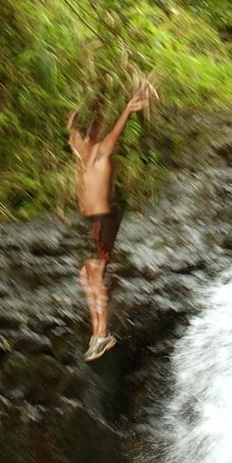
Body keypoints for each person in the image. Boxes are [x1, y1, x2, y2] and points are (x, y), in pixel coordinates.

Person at [67, 86, 149, 361]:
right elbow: (75, 132)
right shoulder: (82, 160)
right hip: (90, 222)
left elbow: (114, 132)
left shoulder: (102, 151)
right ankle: (97, 333)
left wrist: (127, 108)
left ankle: (102, 334)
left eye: (78, 137)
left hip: (103, 220)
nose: (74, 143)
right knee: (85, 275)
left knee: (94, 272)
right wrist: (88, 104)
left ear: (88, 139)